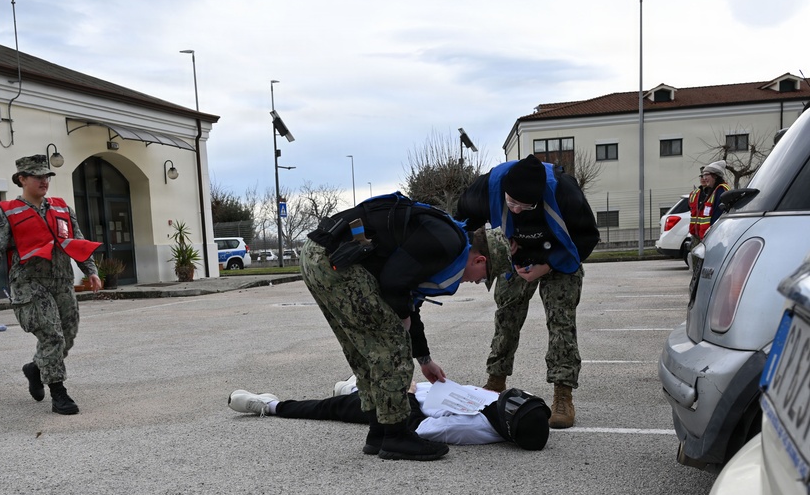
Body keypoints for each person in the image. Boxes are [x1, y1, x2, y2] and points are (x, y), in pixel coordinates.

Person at [300, 192, 512, 461]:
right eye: (485, 278)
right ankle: (396, 436)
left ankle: (379, 431)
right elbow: (394, 282)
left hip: (318, 256)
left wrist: (425, 359)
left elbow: (411, 300)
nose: (478, 282)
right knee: (392, 346)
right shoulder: (447, 244)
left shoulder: (445, 239)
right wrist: (402, 318)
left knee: (366, 349)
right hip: (337, 261)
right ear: (480, 260)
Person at [456, 154, 600, 429]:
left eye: (525, 206)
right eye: (512, 204)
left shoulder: (565, 191)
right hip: (515, 260)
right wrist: (490, 245)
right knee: (506, 318)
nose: (518, 210)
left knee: (561, 322)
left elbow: (587, 237)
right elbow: (461, 222)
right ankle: (495, 382)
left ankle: (562, 394)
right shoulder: (485, 189)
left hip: (558, 259)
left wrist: (547, 265)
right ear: (505, 191)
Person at [0, 155, 102, 416]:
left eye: (47, 176)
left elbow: (76, 240)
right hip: (29, 284)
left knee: (68, 335)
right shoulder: (6, 214)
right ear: (22, 179)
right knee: (51, 335)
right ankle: (59, 392)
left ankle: (35, 369)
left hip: (61, 282)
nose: (44, 181)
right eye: (37, 176)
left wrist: (91, 270)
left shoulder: (62, 209)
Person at [227, 376, 550, 451]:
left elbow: (420, 429)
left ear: (508, 426)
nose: (513, 397)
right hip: (423, 388)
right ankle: (355, 387)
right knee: (363, 386)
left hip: (401, 401)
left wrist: (407, 396)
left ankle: (269, 405)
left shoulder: (475, 431)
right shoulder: (499, 407)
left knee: (334, 408)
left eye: (515, 403)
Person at [688, 160, 731, 243]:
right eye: (703, 175)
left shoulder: (721, 190)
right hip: (708, 236)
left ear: (715, 176)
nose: (704, 178)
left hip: (716, 237)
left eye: (707, 175)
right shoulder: (714, 191)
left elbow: (718, 217)